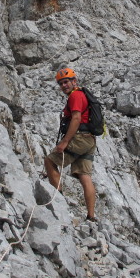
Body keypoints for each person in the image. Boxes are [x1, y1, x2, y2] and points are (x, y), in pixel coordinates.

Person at [44, 68, 97, 222]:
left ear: (74, 81)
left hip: (79, 138)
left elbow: (76, 118)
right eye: (61, 84)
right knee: (84, 175)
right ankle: (91, 216)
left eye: (66, 82)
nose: (64, 86)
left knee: (50, 161)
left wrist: (65, 142)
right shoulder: (82, 94)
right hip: (90, 140)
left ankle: (57, 199)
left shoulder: (75, 96)